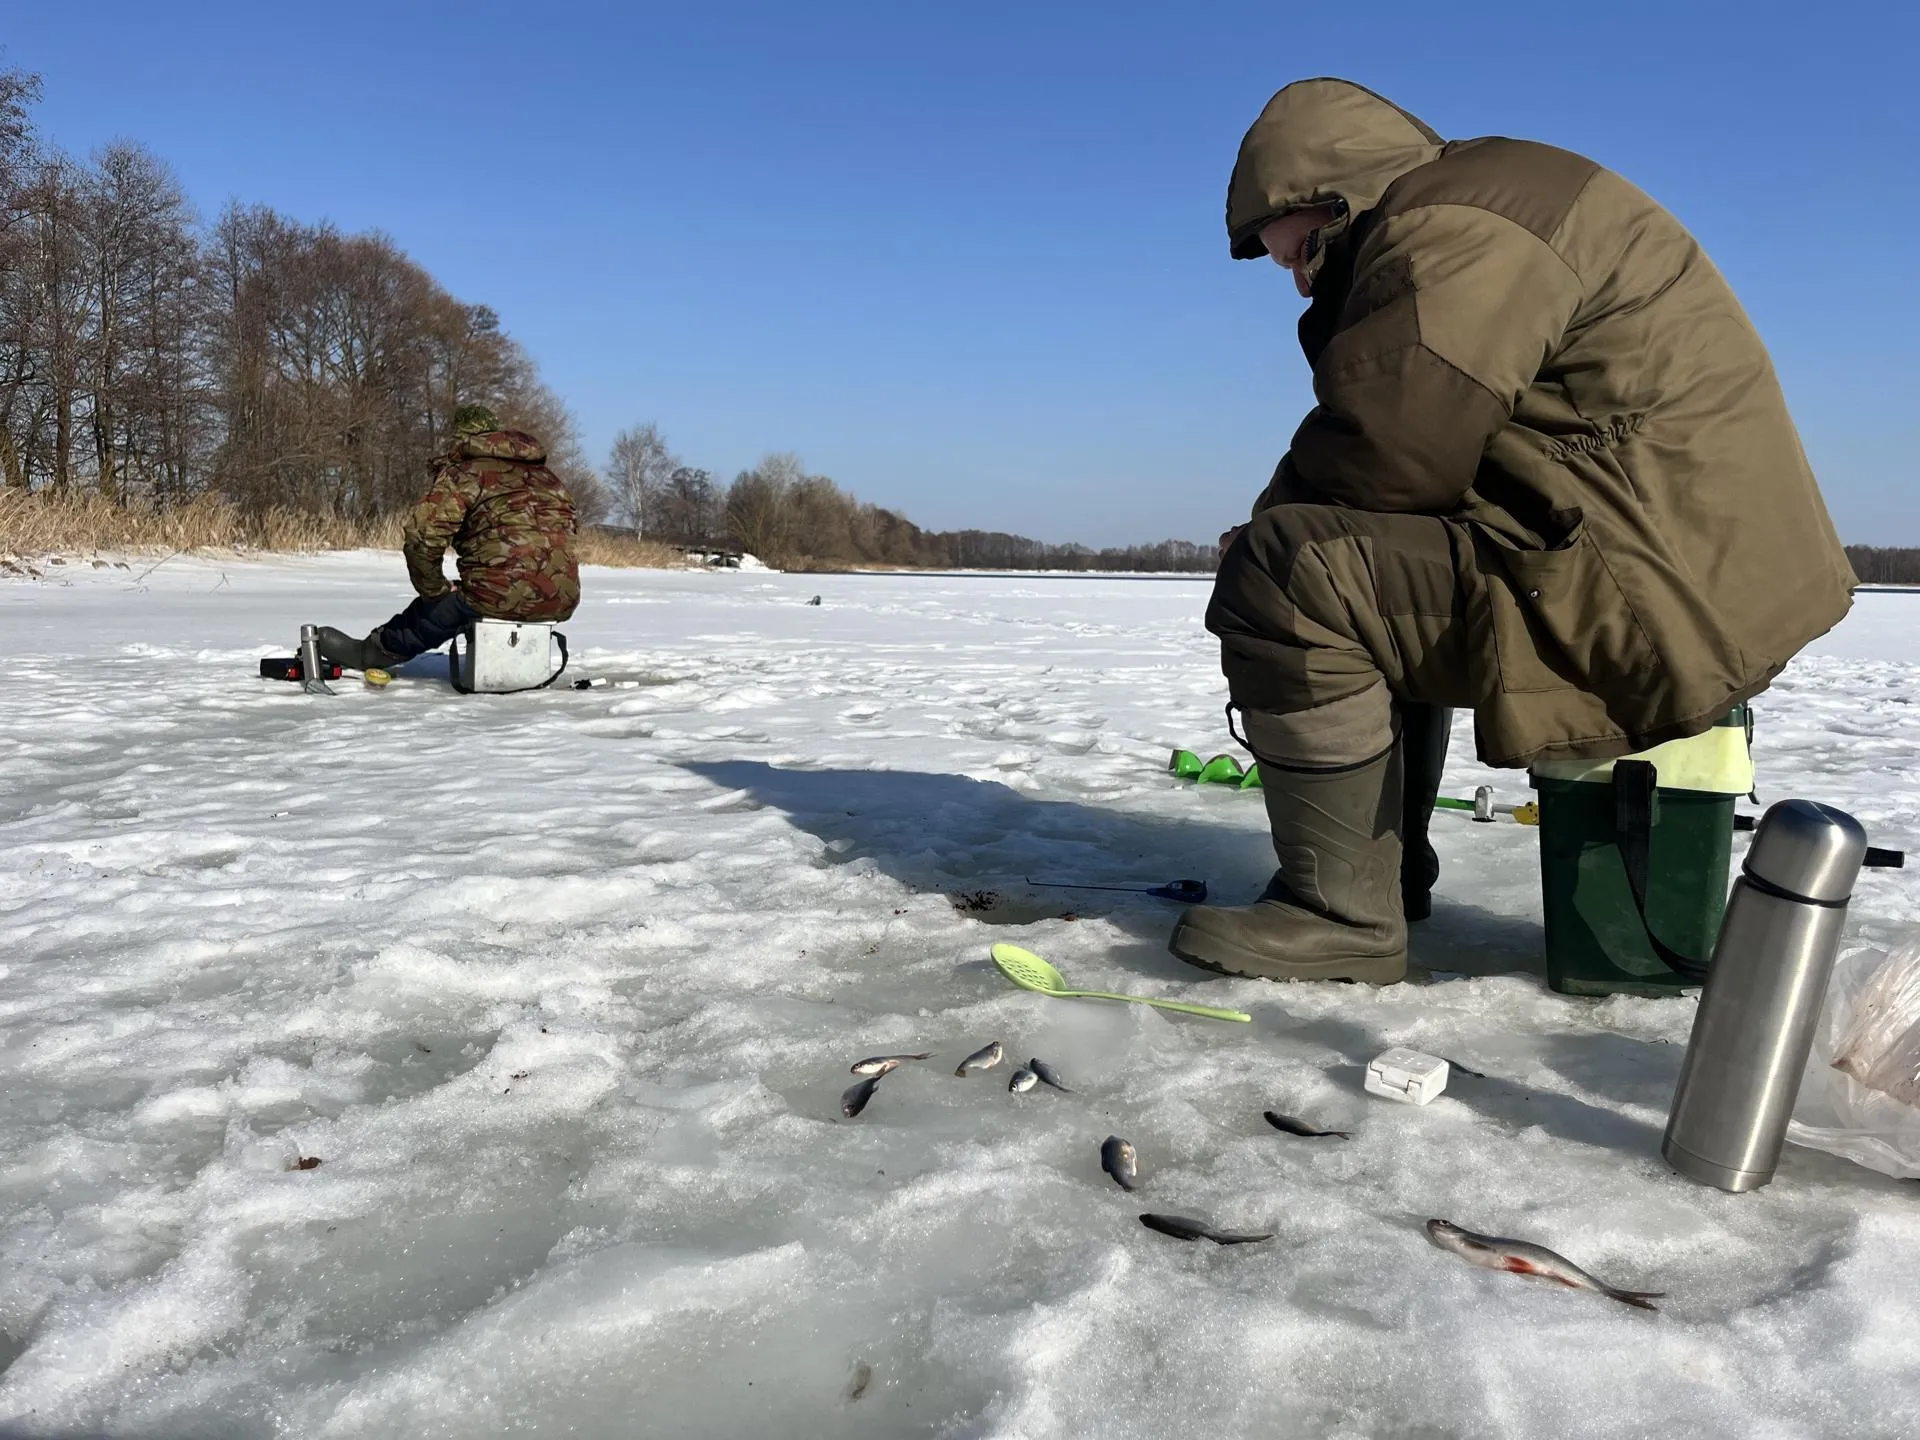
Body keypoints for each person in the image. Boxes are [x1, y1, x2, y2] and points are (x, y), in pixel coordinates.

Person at [1167, 78, 1854, 986]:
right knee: (1346, 558)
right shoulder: (1481, 201)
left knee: (1293, 574)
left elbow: (1394, 449)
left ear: (1328, 201)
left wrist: (1258, 537)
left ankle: (1340, 916)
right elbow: (1408, 449)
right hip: (1655, 562)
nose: (1291, 276)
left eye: (1288, 251)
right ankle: (1386, 873)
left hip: (1646, 589)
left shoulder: (1452, 229)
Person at [317, 404, 581, 672]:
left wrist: (435, 590)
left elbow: (422, 540)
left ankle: (370, 653)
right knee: (488, 589)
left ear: (462, 439)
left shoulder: (466, 473)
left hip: (495, 594)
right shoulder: (550, 479)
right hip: (562, 598)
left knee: (443, 609)